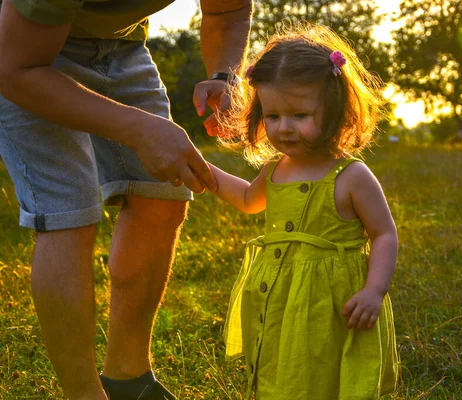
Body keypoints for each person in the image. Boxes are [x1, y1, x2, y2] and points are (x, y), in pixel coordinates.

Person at [0, 0, 252, 399]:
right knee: (69, 209)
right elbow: (15, 70)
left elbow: (228, 10)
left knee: (163, 193)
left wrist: (224, 74)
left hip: (123, 46)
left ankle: (129, 380)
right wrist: (138, 130)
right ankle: (83, 394)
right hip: (22, 51)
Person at [207, 24, 398, 399]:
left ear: (336, 108)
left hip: (332, 298)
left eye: (299, 115)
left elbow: (384, 234)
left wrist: (374, 290)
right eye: (273, 116)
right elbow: (248, 199)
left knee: (325, 366)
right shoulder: (277, 169)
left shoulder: (351, 175)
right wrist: (206, 173)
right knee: (284, 363)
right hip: (282, 292)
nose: (284, 128)